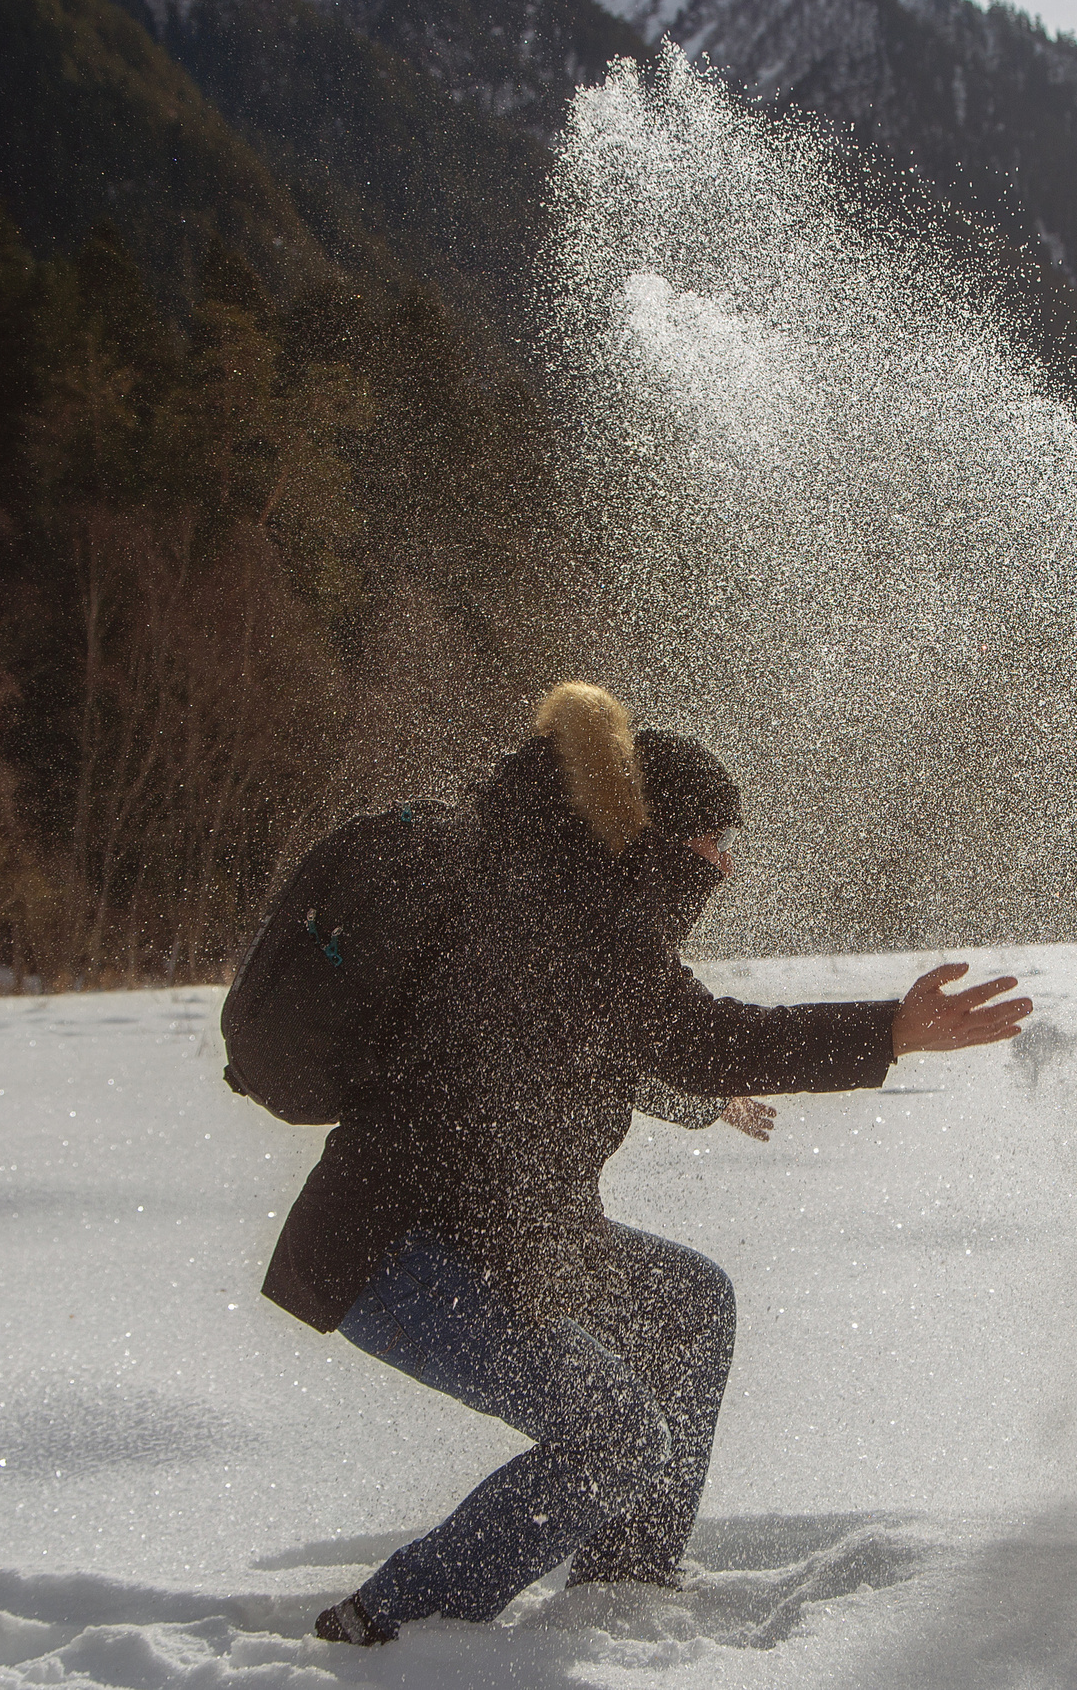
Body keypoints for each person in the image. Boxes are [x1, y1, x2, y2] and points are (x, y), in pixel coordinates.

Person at [267, 683, 1031, 1642]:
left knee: (689, 1305)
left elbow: (585, 1047)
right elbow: (701, 1033)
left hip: (507, 1232)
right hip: (400, 1246)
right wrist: (890, 1030)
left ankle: (621, 1580)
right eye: (717, 838)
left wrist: (702, 1099)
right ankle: (385, 1626)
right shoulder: (574, 918)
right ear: (669, 837)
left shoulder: (561, 902)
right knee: (615, 1436)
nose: (727, 862)